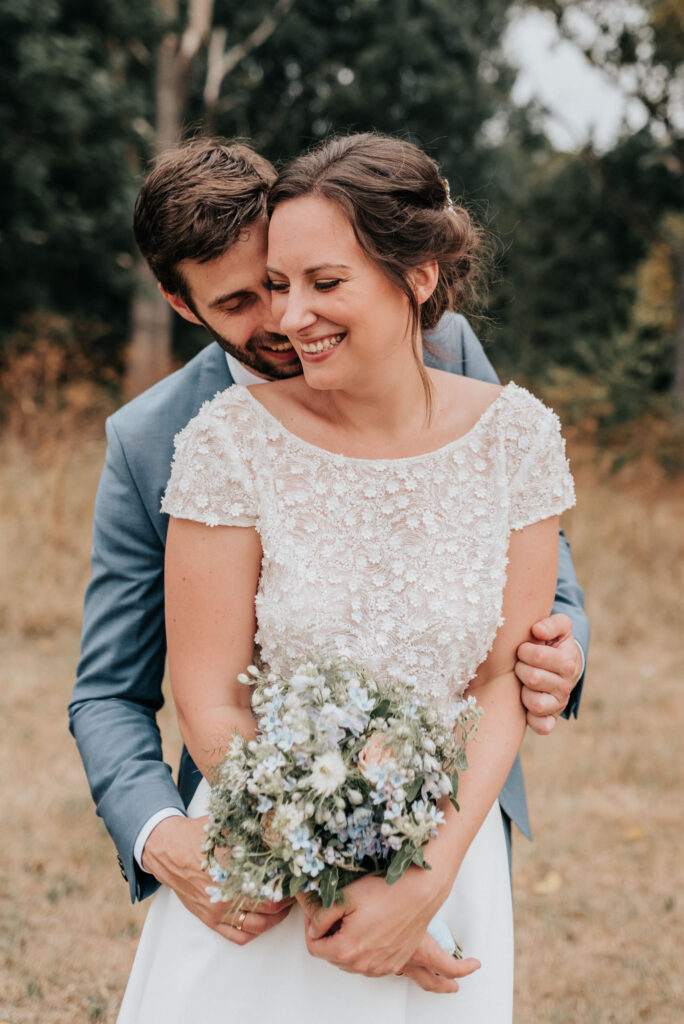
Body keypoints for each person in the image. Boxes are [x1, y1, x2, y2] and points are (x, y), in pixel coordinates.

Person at [68, 138, 588, 954]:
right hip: (268, 846)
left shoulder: (443, 350)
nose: (284, 319)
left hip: (453, 820)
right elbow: (110, 689)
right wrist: (163, 834)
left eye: (285, 280)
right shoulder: (162, 439)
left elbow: (534, 582)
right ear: (181, 305)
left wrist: (563, 651)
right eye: (242, 301)